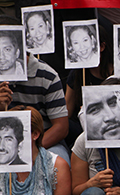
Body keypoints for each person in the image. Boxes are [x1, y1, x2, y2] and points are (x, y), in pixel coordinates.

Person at [0, 15, 70, 167]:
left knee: (60, 163)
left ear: (18, 49)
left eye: (6, 49)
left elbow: (61, 127)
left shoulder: (47, 75)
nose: (1, 56)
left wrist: (28, 150)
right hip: (3, 144)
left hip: (43, 141)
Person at [65, 25, 113, 148]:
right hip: (82, 128)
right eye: (76, 43)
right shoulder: (76, 74)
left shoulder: (118, 72)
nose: (81, 48)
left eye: (85, 41)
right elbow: (66, 112)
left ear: (101, 46)